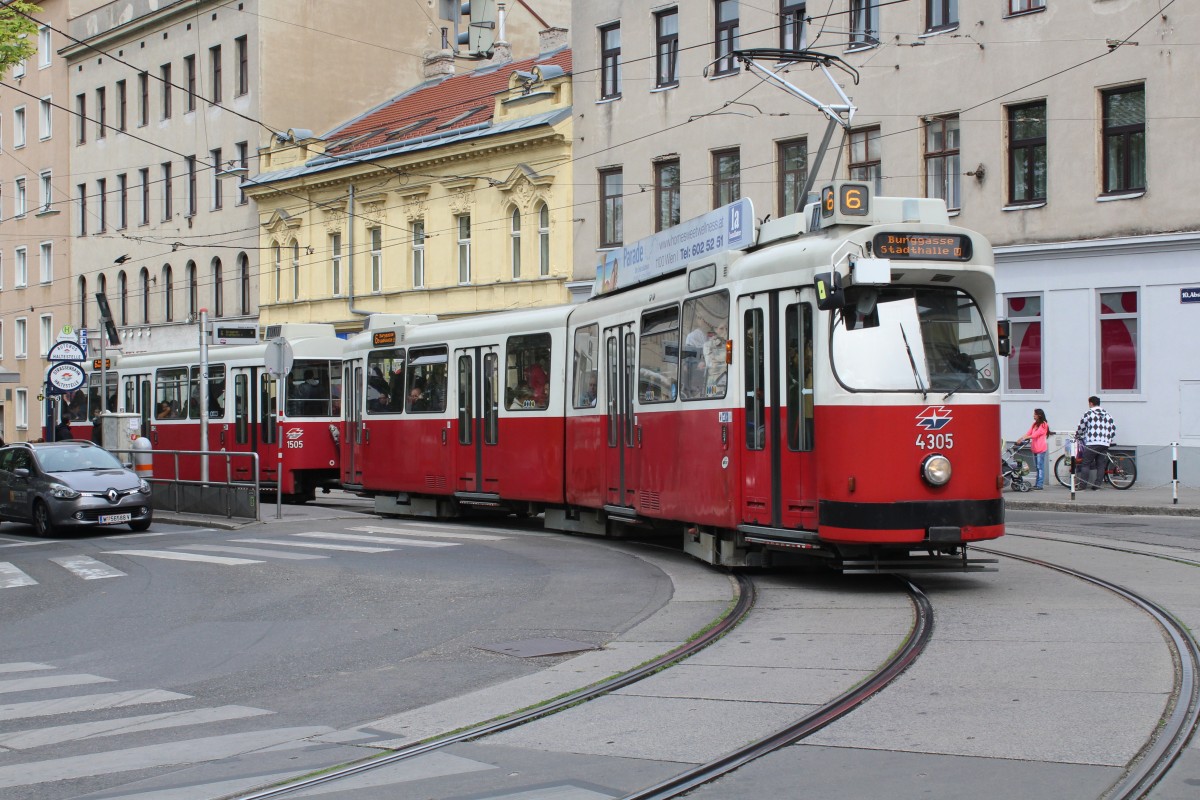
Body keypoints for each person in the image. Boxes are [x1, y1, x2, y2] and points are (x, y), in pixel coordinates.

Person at [1075, 396, 1116, 490]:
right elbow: (1113, 429)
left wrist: (1078, 435)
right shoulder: (1108, 415)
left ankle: (1082, 486)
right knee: (1100, 464)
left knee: (1085, 463)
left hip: (1092, 442)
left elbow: (1081, 426)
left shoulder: (1089, 413)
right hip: (1104, 443)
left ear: (1091, 403)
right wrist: (1109, 439)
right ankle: (1097, 485)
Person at [1017, 408, 1050, 490]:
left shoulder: (1044, 424)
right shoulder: (1034, 424)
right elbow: (1029, 433)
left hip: (1041, 449)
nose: (1033, 416)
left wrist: (1026, 438)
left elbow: (1035, 435)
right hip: (1035, 448)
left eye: (1035, 414)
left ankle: (1040, 484)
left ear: (1039, 415)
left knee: (1040, 467)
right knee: (1037, 467)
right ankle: (1037, 484)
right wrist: (1021, 438)